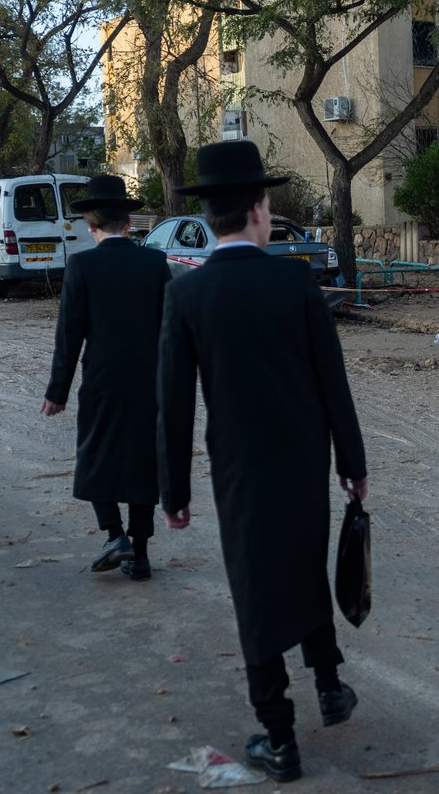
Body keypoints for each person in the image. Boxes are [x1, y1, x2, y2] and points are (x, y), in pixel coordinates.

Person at [156, 141, 368, 784]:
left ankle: (280, 737)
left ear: (210, 216)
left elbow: (172, 403)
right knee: (302, 562)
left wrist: (173, 491)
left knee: (256, 588)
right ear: (258, 210)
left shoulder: (186, 296)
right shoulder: (295, 280)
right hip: (305, 458)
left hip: (240, 469)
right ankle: (329, 686)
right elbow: (334, 382)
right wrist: (352, 463)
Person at [42, 174, 171, 581]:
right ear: (129, 224)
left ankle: (115, 534)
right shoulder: (154, 262)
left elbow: (70, 334)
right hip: (150, 381)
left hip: (101, 380)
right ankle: (141, 554)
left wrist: (56, 391)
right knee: (143, 461)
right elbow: (170, 327)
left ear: (90, 224)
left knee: (95, 454)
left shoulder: (81, 264)